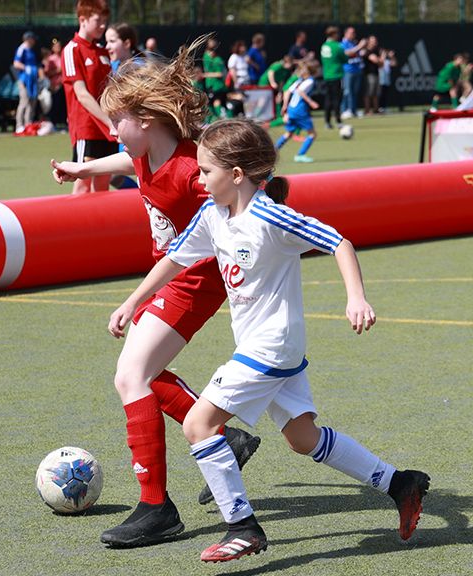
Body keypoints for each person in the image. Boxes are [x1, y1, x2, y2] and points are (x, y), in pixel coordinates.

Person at [109, 118, 431, 563]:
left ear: (237, 175)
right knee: (303, 438)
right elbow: (175, 261)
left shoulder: (270, 216)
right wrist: (132, 302)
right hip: (267, 348)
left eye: (206, 172)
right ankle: (400, 483)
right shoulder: (212, 214)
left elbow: (339, 242)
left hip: (271, 346)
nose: (199, 180)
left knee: (198, 425)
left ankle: (242, 527)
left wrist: (356, 297)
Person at [49, 41, 261, 548]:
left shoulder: (192, 171)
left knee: (131, 375)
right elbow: (128, 162)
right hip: (172, 278)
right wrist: (85, 169)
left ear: (146, 118)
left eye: (118, 119)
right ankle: (223, 436)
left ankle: (156, 507)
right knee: (139, 372)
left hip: (196, 281)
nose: (112, 128)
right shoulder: (148, 152)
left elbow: (243, 200)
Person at [62, 0, 116, 194]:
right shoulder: (72, 49)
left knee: (103, 185)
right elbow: (82, 94)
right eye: (98, 20)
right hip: (87, 127)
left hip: (108, 129)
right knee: (83, 182)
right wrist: (108, 121)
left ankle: (103, 225)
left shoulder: (102, 52)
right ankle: (73, 225)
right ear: (82, 19)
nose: (103, 25)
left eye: (105, 21)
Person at [275, 61, 319, 163]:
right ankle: (300, 155)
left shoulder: (299, 81)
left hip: (291, 109)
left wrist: (285, 106)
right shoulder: (310, 81)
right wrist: (311, 102)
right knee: (312, 134)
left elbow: (287, 91)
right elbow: (300, 92)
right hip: (300, 110)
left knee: (289, 133)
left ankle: (272, 152)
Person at [14, 32, 40, 134]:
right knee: (24, 101)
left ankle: (28, 124)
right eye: (32, 39)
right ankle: (19, 125)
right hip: (24, 80)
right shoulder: (22, 49)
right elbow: (16, 63)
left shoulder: (31, 51)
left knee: (32, 102)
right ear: (28, 39)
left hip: (33, 80)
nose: (34, 41)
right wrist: (26, 68)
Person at [320, 26, 346, 129]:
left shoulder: (324, 46)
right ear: (333, 34)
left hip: (327, 75)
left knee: (328, 99)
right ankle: (338, 121)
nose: (338, 36)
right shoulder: (337, 46)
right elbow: (344, 59)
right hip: (336, 75)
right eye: (337, 34)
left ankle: (327, 121)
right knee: (336, 99)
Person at [340, 27, 367, 119]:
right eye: (351, 33)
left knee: (355, 92)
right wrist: (360, 46)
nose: (353, 34)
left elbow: (357, 53)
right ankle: (345, 110)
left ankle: (353, 110)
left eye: (354, 32)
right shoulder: (343, 43)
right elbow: (347, 53)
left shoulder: (353, 43)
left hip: (357, 70)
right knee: (347, 91)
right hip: (348, 70)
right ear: (346, 33)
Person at [363, 35, 383, 115]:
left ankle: (376, 109)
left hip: (376, 74)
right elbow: (376, 61)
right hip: (369, 74)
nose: (375, 43)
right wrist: (381, 58)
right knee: (369, 92)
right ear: (369, 42)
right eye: (373, 41)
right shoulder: (366, 51)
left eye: (375, 41)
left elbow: (381, 64)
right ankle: (367, 110)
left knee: (376, 93)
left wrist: (380, 60)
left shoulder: (376, 51)